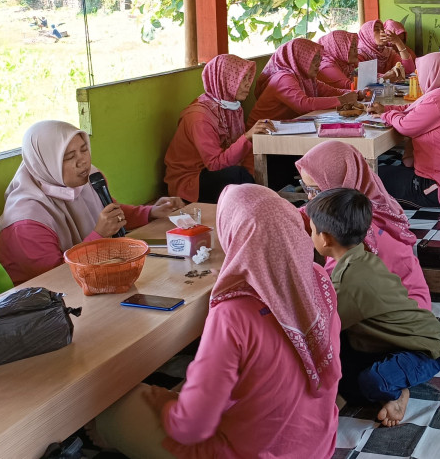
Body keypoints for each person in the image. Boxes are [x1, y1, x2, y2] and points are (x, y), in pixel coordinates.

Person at [95, 184, 341, 459]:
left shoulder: (233, 314)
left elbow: (191, 428)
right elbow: (275, 285)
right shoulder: (318, 279)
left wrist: (162, 403)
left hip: (252, 452)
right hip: (316, 444)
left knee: (111, 409)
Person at [306, 188, 440, 428]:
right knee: (341, 374)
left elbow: (321, 331)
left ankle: (397, 393)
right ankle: (384, 382)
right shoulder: (360, 257)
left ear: (326, 238)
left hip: (424, 350)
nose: (309, 234)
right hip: (390, 343)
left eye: (311, 230)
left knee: (374, 382)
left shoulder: (350, 282)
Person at [0, 121, 183, 285]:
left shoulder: (88, 180)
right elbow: (57, 276)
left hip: (87, 278)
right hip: (41, 300)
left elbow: (108, 210)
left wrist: (150, 212)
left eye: (84, 149)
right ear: (45, 163)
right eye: (69, 157)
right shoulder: (27, 221)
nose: (83, 161)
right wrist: (99, 235)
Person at [295, 141, 431, 310]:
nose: (309, 197)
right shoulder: (367, 201)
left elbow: (333, 291)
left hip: (405, 312)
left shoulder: (357, 231)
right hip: (402, 305)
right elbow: (304, 213)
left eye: (315, 190)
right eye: (305, 188)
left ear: (340, 183)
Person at [368, 53, 440, 210]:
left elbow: (405, 125)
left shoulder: (438, 99)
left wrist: (385, 114)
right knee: (388, 171)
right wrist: (387, 109)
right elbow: (415, 109)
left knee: (370, 176)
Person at [164, 55, 267, 204]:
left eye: (248, 79)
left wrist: (255, 175)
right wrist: (247, 138)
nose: (247, 85)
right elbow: (214, 165)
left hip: (219, 169)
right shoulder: (200, 117)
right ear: (225, 80)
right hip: (191, 182)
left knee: (266, 165)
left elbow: (243, 154)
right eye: (241, 79)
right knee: (238, 176)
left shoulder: (231, 106)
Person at [249, 39, 359, 125]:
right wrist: (342, 100)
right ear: (300, 58)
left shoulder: (304, 77)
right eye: (314, 59)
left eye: (319, 58)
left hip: (282, 130)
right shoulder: (283, 78)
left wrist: (358, 94)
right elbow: (303, 104)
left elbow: (328, 91)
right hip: (261, 137)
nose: (318, 64)